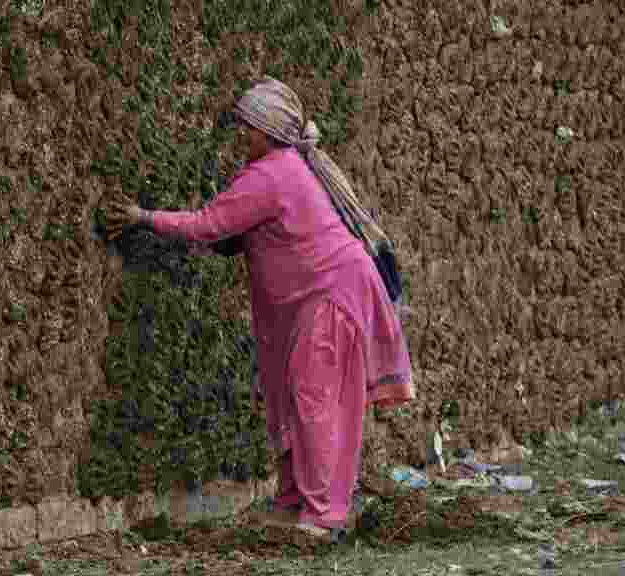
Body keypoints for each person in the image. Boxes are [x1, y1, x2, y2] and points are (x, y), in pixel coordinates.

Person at [105, 77, 414, 541]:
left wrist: (142, 217)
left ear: (266, 130)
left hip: (330, 296)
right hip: (318, 297)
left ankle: (325, 514)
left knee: (315, 401)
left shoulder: (272, 174)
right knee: (291, 396)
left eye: (246, 128)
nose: (240, 137)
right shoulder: (283, 168)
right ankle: (294, 502)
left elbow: (210, 225)